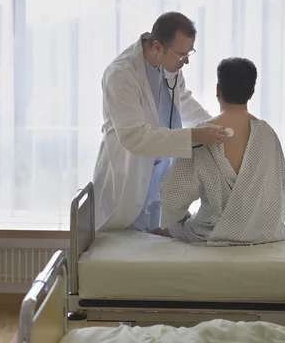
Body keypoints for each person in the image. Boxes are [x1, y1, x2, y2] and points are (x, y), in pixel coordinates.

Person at [92, 12, 230, 232]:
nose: (185, 61)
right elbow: (134, 137)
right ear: (157, 46)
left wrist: (215, 125)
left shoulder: (169, 67)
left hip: (159, 175)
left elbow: (183, 101)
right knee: (125, 248)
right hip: (128, 176)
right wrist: (195, 135)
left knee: (153, 246)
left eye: (189, 53)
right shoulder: (121, 74)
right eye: (181, 54)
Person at [152, 57, 285, 246]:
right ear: (252, 92)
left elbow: (173, 196)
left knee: (168, 228)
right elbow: (280, 185)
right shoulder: (267, 133)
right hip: (264, 232)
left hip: (212, 232)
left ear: (218, 90)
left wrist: (175, 224)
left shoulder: (203, 135)